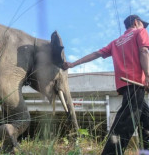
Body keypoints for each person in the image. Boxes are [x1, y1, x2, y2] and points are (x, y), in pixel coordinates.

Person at [63, 15, 149, 154]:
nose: (144, 27)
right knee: (125, 123)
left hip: (124, 84)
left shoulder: (115, 42)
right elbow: (144, 51)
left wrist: (73, 64)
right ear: (135, 22)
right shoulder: (140, 32)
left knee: (146, 119)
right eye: (142, 24)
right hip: (136, 83)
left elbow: (95, 54)